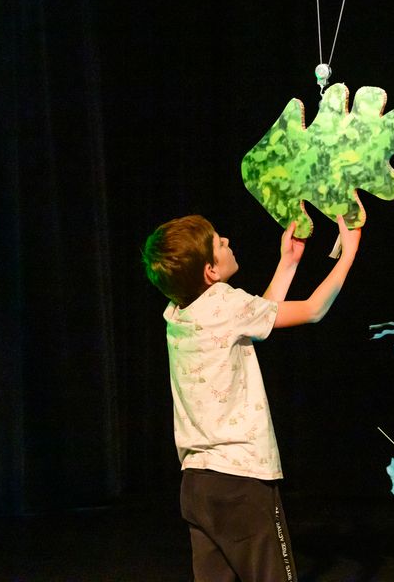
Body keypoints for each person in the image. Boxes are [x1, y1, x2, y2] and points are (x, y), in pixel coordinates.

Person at [141, 213, 362, 582]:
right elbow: (313, 310)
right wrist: (348, 255)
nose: (227, 240)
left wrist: (288, 262)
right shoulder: (225, 303)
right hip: (241, 481)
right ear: (211, 271)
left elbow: (256, 319)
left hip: (197, 485)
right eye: (219, 243)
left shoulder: (178, 314)